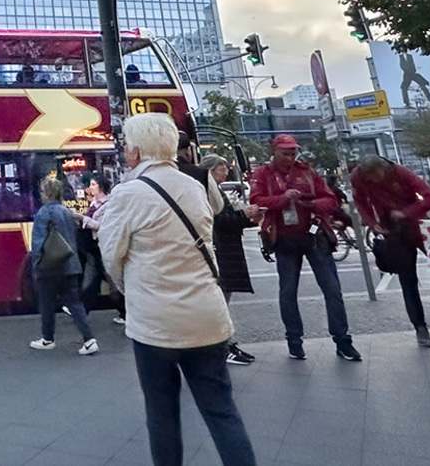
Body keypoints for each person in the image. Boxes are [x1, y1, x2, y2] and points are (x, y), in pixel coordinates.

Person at [99, 113, 257, 466]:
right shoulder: (195, 187)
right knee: (222, 412)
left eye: (126, 146)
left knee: (162, 414)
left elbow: (111, 257)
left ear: (137, 153)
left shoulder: (128, 194)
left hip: (155, 326)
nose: (124, 152)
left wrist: (133, 291)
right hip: (207, 317)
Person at [248, 134, 361, 361]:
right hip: (284, 238)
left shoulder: (307, 171)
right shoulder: (263, 174)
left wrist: (309, 203)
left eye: (292, 152)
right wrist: (282, 199)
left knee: (332, 290)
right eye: (285, 153)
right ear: (274, 151)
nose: (290, 157)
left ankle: (342, 340)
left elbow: (330, 200)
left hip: (314, 235)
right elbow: (256, 201)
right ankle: (294, 341)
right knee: (288, 292)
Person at [350, 154, 430, 348]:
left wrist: (406, 212)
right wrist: (372, 223)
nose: (374, 181)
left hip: (418, 226)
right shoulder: (358, 177)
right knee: (407, 280)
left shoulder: (401, 173)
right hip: (393, 229)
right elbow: (360, 201)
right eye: (370, 178)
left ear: (384, 169)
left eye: (377, 176)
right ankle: (420, 328)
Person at [30, 177, 98, 354]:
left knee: (46, 304)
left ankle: (48, 338)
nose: (41, 195)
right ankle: (89, 340)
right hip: (71, 264)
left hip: (50, 266)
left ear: (47, 193)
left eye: (43, 192)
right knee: (74, 303)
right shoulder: (67, 212)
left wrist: (36, 265)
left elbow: (38, 244)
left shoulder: (43, 213)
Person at [205, 155, 261, 365]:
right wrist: (244, 215)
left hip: (225, 248)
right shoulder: (208, 192)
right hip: (221, 249)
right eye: (222, 168)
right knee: (220, 300)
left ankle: (226, 343)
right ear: (211, 171)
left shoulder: (215, 191)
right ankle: (223, 345)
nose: (226, 172)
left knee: (223, 298)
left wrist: (245, 218)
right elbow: (217, 220)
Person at [78, 176, 126, 324]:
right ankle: (80, 310)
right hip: (94, 248)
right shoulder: (94, 203)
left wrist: (82, 219)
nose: (90, 188)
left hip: (103, 247)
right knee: (91, 279)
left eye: (93, 184)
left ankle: (126, 312)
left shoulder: (108, 205)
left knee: (112, 282)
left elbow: (101, 226)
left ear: (101, 187)